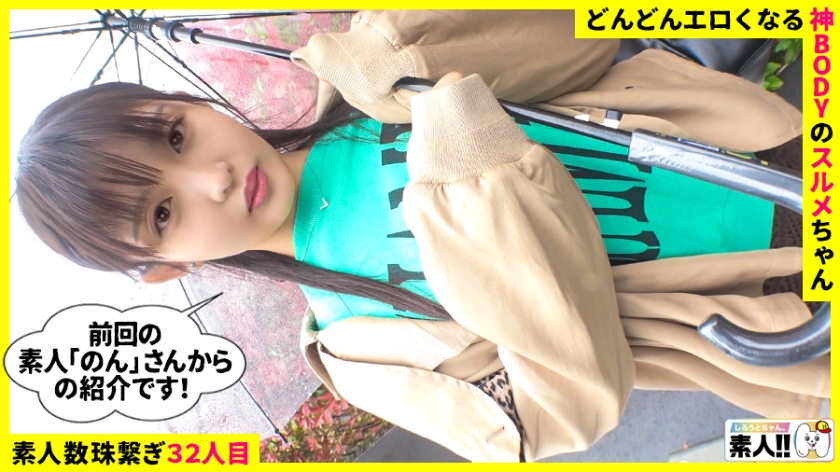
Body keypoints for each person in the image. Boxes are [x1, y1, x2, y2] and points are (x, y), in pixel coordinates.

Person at [15, 10, 828, 462]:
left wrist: (418, 42)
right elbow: (565, 414)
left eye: (175, 135)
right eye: (162, 214)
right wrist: (484, 199)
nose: (212, 179)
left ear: (189, 102)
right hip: (774, 309)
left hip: (769, 147)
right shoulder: (358, 347)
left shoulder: (364, 87)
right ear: (165, 270)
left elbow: (587, 39)